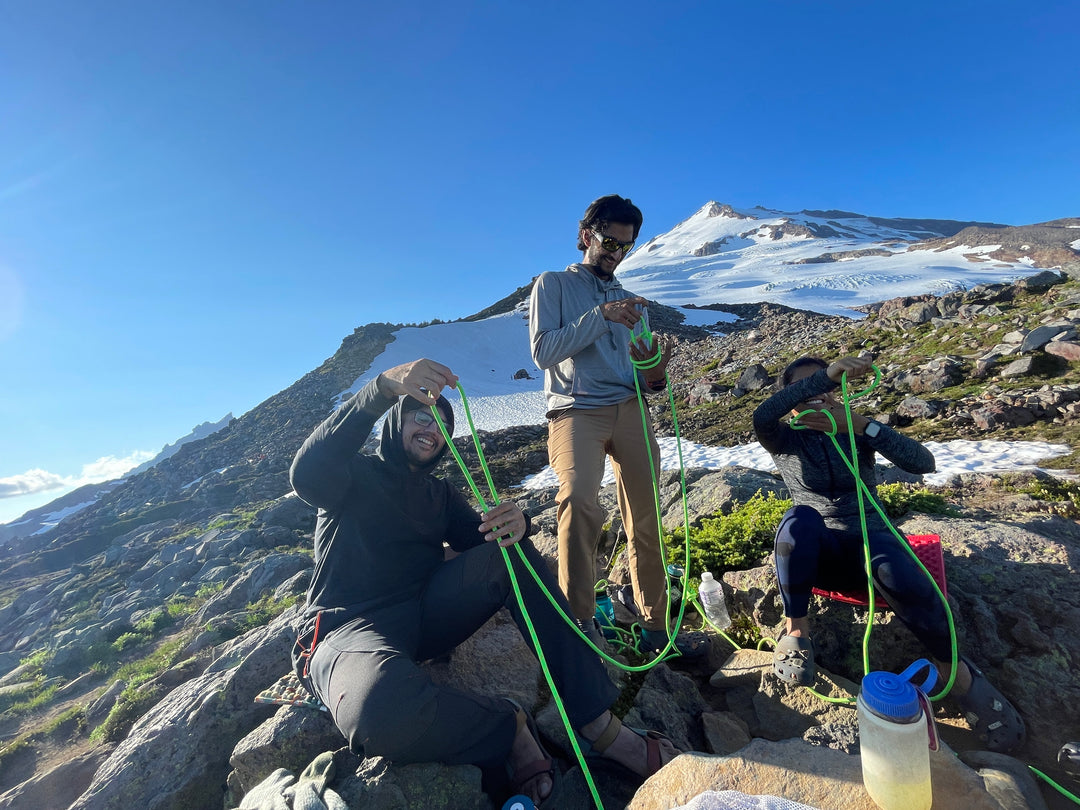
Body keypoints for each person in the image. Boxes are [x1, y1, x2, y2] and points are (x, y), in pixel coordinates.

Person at [289, 358, 679, 806]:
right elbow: (305, 474)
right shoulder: (351, 476)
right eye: (421, 414)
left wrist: (522, 522)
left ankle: (599, 725)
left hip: (424, 614)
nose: (432, 430)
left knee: (510, 554)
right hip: (348, 625)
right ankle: (508, 725)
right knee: (380, 712)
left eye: (442, 425)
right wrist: (382, 387)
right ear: (395, 419)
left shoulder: (440, 495)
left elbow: (489, 545)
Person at [753, 353, 1026, 754]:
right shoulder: (783, 438)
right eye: (805, 390)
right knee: (799, 519)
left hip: (872, 547)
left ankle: (960, 675)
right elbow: (762, 416)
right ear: (791, 400)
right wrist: (825, 376)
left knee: (887, 549)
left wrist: (862, 425)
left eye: (827, 388)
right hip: (820, 555)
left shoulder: (856, 429)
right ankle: (797, 632)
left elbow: (924, 463)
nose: (818, 397)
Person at [528, 194, 704, 657]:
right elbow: (544, 351)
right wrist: (599, 316)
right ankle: (580, 622)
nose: (615, 253)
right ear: (587, 236)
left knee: (645, 517)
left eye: (625, 246)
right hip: (573, 411)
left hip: (629, 408)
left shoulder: (633, 302)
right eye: (609, 242)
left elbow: (648, 381)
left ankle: (654, 625)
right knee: (579, 500)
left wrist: (654, 370)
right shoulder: (553, 285)